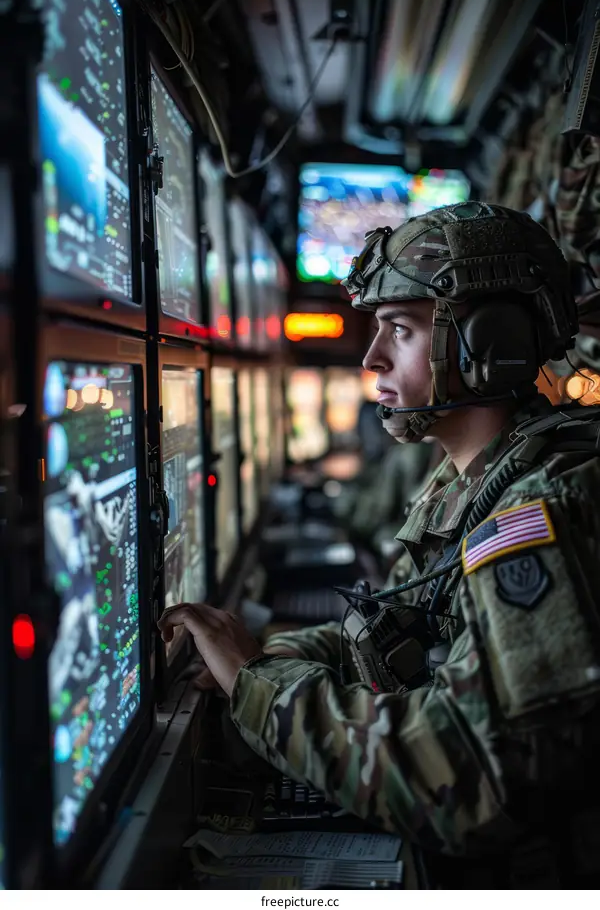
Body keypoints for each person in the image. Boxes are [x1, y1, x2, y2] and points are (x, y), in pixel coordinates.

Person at [158, 201, 600, 887]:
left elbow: (469, 784)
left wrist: (257, 685)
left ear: (489, 343)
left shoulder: (535, 513)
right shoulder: (471, 483)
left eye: (400, 329)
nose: (371, 359)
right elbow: (398, 634)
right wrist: (264, 659)